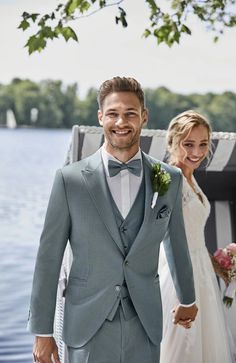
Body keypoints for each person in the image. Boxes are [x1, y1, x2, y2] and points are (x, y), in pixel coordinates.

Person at [28, 77, 198, 363]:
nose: (122, 121)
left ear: (144, 116)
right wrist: (42, 333)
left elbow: (177, 243)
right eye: (113, 113)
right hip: (87, 324)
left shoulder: (169, 178)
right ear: (100, 117)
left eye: (130, 113)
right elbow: (48, 258)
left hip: (145, 322)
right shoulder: (69, 180)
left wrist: (188, 299)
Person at [159, 110, 233, 363]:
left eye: (203, 144)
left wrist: (221, 264)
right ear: (172, 143)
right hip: (178, 274)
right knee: (182, 347)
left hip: (202, 271)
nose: (197, 152)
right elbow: (166, 235)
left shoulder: (191, 178)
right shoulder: (168, 179)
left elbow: (193, 235)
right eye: (188, 144)